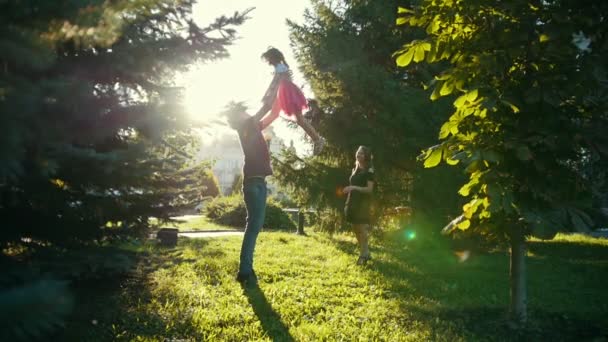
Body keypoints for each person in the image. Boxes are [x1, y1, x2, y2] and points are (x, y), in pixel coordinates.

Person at [224, 102, 273, 286]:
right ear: (238, 116)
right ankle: (244, 271)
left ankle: (246, 268)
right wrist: (279, 76)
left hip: (257, 182)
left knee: (253, 227)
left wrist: (282, 90)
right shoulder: (248, 125)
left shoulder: (250, 127)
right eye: (243, 111)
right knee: (253, 227)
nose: (247, 112)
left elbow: (273, 110)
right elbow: (266, 107)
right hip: (254, 183)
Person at [254, 47, 326, 155]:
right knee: (274, 114)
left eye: (269, 59)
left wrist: (268, 96)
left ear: (273, 58)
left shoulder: (280, 67)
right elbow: (277, 83)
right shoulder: (280, 67)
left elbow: (276, 83)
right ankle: (256, 130)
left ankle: (317, 139)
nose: (268, 62)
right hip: (282, 94)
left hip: (288, 94)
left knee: (299, 119)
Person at [343, 146, 375, 265]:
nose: (358, 155)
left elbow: (369, 189)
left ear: (366, 156)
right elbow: (352, 185)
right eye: (358, 153)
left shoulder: (369, 170)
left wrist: (354, 187)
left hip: (363, 203)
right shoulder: (355, 169)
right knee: (355, 228)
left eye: (361, 153)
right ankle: (366, 253)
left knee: (362, 228)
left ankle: (363, 255)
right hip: (352, 202)